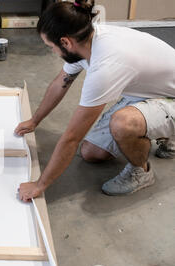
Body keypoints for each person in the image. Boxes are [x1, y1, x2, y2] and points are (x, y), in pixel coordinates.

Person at [15, 0, 175, 201]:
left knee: (123, 124)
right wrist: (34, 120)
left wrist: (40, 185)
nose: (53, 52)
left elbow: (72, 137)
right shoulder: (85, 38)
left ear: (65, 42)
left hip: (171, 96)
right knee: (91, 153)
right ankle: (159, 129)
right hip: (150, 89)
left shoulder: (105, 67)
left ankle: (142, 171)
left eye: (51, 46)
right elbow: (61, 83)